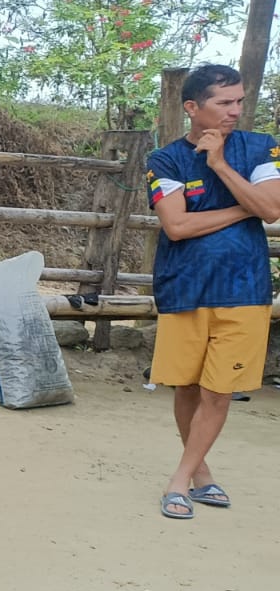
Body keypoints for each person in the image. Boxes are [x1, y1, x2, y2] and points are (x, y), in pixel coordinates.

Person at [142, 64, 280, 519]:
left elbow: (272, 209)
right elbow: (177, 226)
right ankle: (201, 474)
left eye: (239, 101)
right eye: (224, 102)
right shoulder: (165, 160)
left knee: (219, 392)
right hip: (184, 286)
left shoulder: (261, 147)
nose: (234, 110)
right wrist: (244, 209)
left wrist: (219, 164)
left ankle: (179, 480)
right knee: (185, 385)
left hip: (245, 289)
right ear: (192, 107)